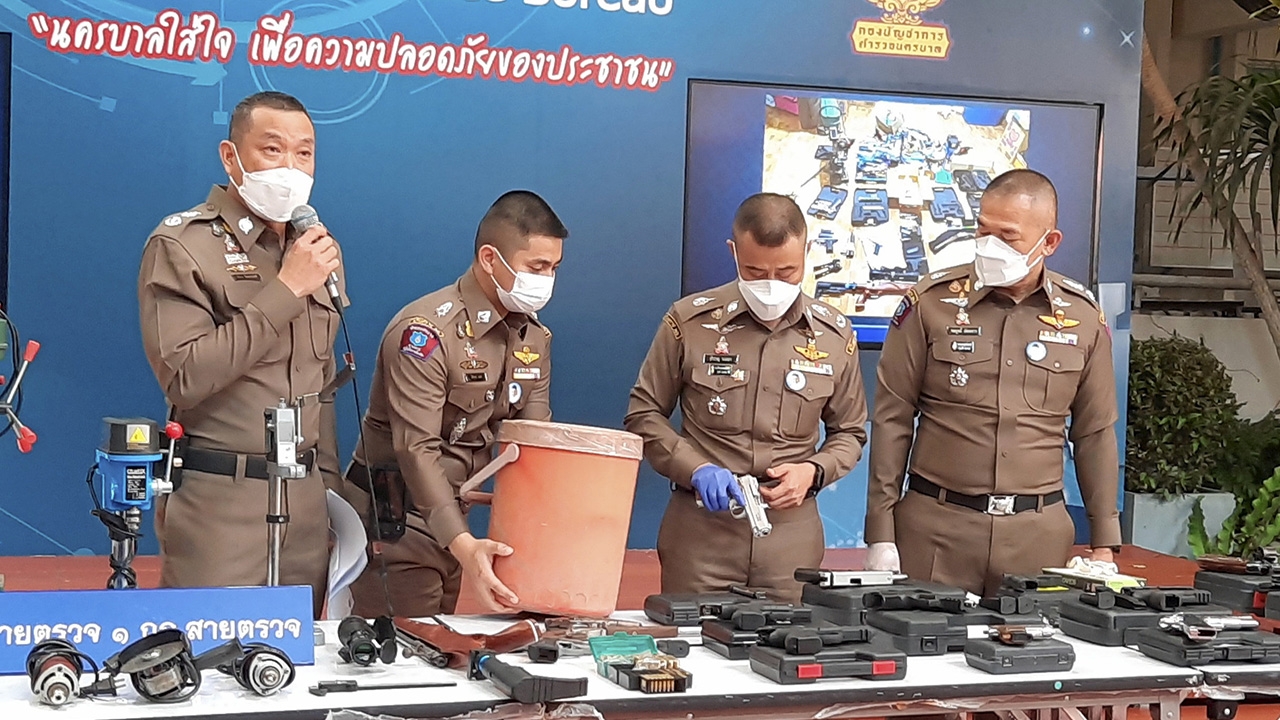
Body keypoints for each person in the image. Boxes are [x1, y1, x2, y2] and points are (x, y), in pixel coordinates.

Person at [864, 169, 1120, 595]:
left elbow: (1094, 433)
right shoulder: (931, 303)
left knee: (1032, 639)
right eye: (983, 230)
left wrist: (1104, 544)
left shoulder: (1082, 316)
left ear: (1049, 242)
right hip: (936, 532)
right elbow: (893, 419)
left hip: (1037, 538)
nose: (989, 245)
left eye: (1007, 236)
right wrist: (880, 533)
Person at [138, 91, 345, 617]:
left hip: (306, 506)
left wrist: (333, 499)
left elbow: (321, 387)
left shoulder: (316, 248)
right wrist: (286, 290)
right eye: (272, 150)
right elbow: (184, 376)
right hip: (221, 503)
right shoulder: (184, 244)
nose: (291, 167)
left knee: (295, 657)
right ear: (231, 157)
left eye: (304, 153)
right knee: (212, 655)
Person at [625, 193, 868, 604]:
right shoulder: (690, 322)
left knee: (789, 639)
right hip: (702, 535)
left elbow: (850, 433)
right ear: (733, 252)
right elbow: (643, 414)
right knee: (694, 640)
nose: (772, 284)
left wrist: (813, 472)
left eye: (787, 271)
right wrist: (696, 469)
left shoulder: (833, 334)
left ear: (807, 251)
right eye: (755, 271)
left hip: (791, 540)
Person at [338, 191, 565, 617]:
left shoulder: (533, 337)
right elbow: (415, 448)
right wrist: (462, 544)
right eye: (537, 267)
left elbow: (534, 442)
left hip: (456, 524)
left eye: (554, 268)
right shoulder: (425, 333)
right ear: (490, 259)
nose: (547, 279)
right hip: (396, 522)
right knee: (406, 649)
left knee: (442, 645)